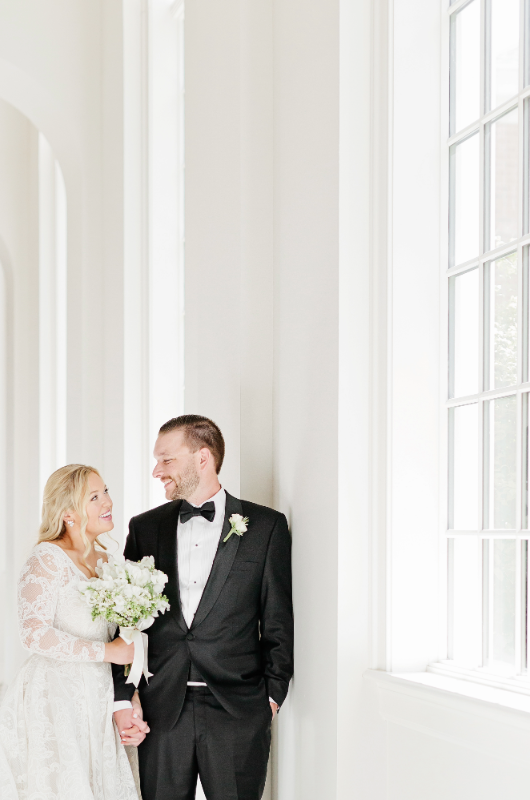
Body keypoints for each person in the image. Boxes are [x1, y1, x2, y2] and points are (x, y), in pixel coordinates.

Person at [113, 414, 294, 800]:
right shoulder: (144, 527)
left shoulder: (266, 527)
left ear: (202, 458)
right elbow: (124, 624)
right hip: (161, 706)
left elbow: (278, 619)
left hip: (237, 708)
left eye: (166, 459)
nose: (156, 470)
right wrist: (124, 695)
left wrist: (272, 696)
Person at [0, 464, 149, 799]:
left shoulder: (109, 562)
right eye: (94, 497)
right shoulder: (47, 558)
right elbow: (33, 633)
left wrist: (130, 701)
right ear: (68, 514)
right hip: (54, 699)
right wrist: (105, 652)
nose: (107, 501)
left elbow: (122, 642)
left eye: (106, 491)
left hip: (98, 699)